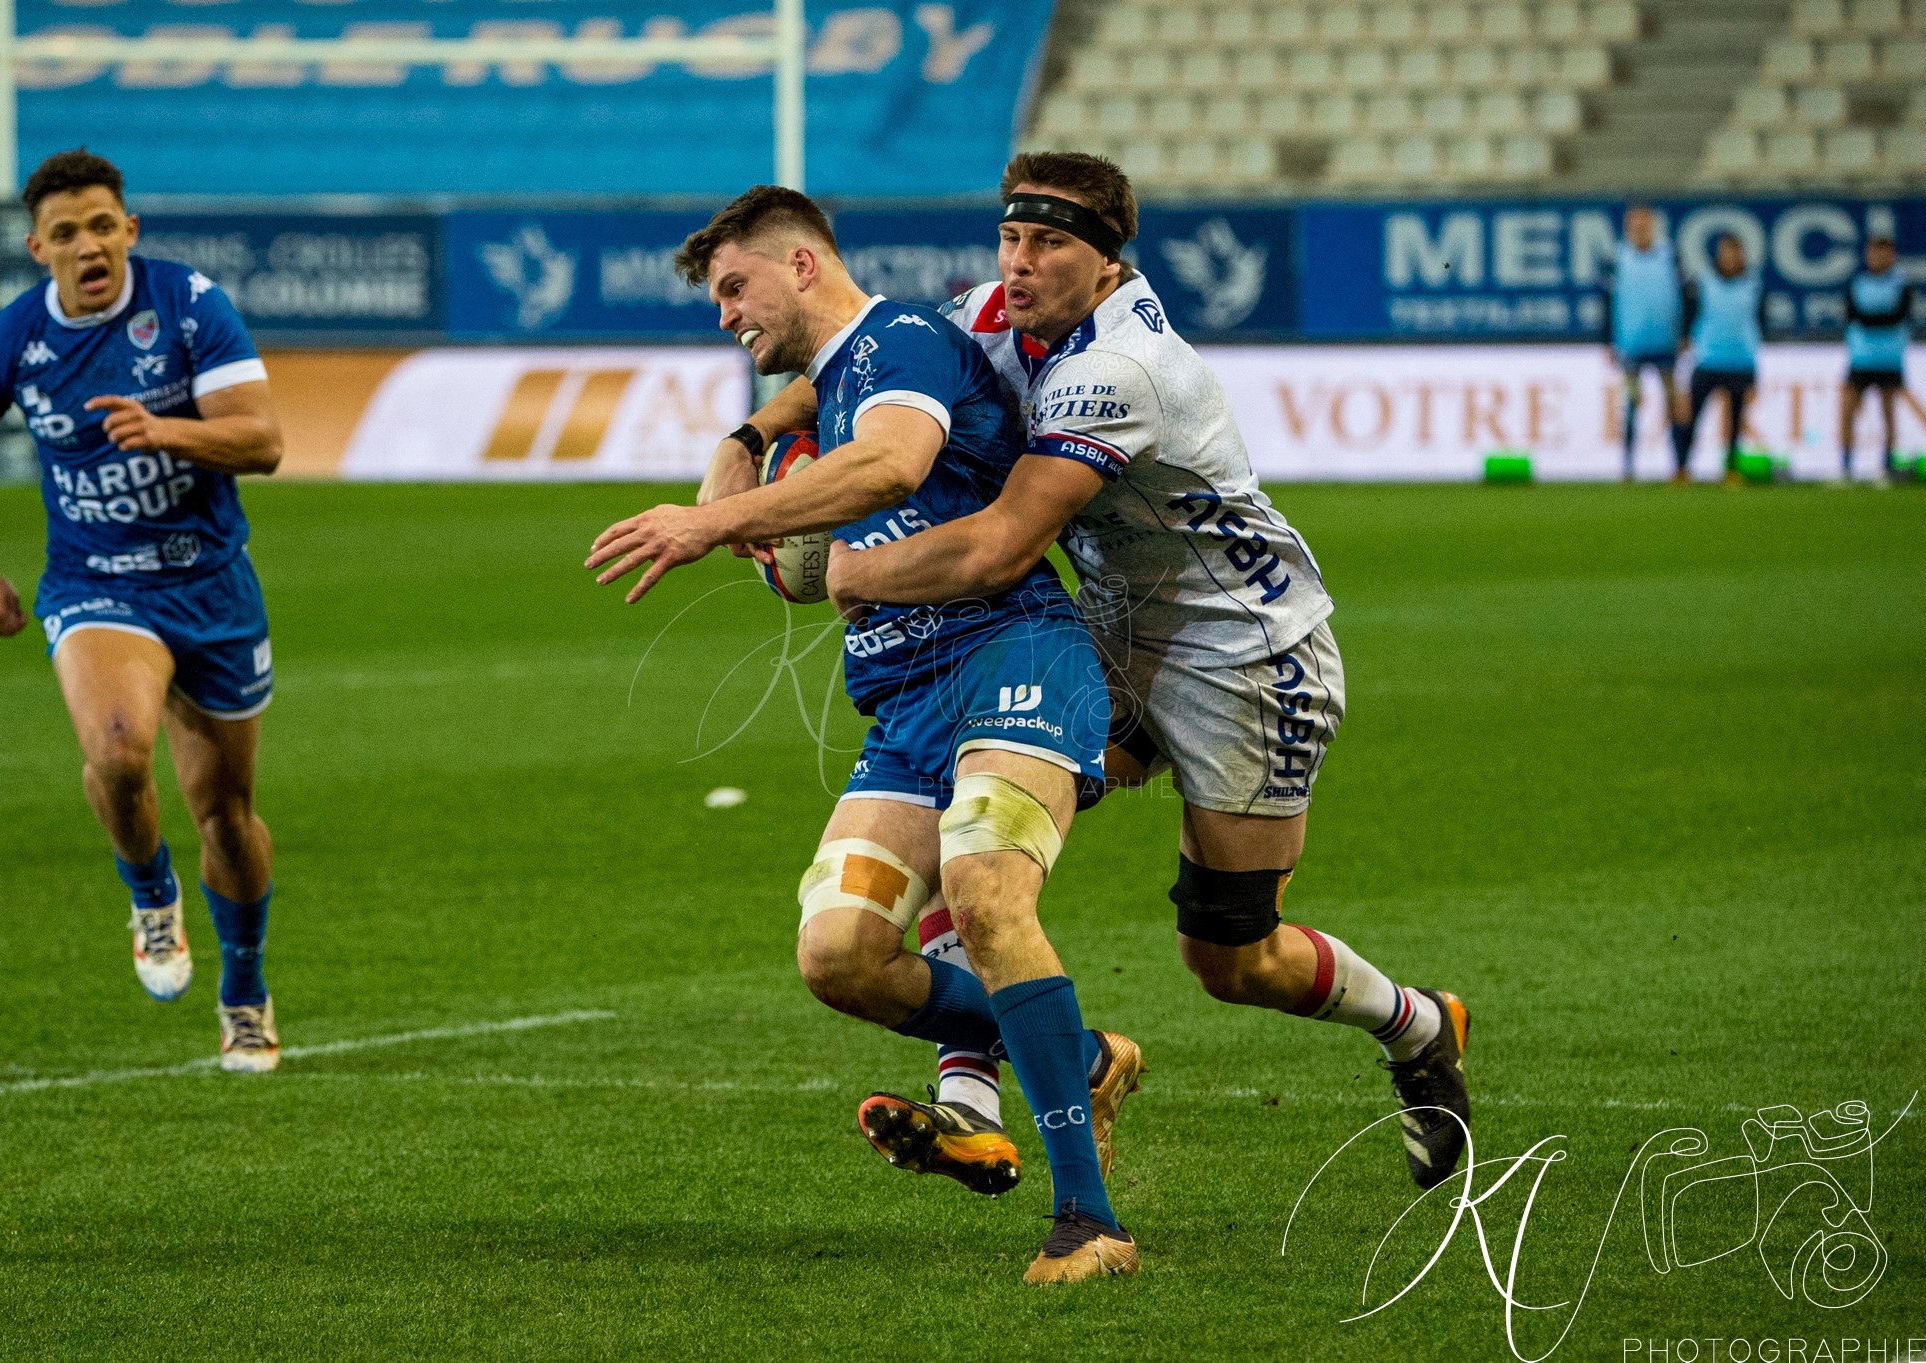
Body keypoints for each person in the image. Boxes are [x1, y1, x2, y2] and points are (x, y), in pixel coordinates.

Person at [738, 153, 1472, 1195]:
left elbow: (996, 547)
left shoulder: (1120, 368)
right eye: (1010, 236)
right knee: (976, 836)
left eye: (1049, 243)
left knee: (1230, 958)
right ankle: (972, 1102)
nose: (1020, 262)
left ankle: (1415, 1022)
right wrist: (755, 431)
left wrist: (837, 570)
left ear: (1106, 257)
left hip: (1242, 654)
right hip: (1114, 630)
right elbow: (862, 372)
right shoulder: (989, 310)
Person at [585, 186, 1144, 1283]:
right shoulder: (836, 376)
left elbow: (890, 464)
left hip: (1009, 658)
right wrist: (746, 439)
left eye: (733, 288)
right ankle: (1079, 1057)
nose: (722, 316)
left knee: (985, 893)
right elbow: (837, 504)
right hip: (901, 697)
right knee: (836, 955)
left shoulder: (896, 340)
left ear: (800, 267)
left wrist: (712, 519)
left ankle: (1089, 1219)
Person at [0, 148, 286, 1072]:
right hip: (98, 585)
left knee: (226, 814)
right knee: (119, 750)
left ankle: (243, 985)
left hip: (209, 583)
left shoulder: (189, 304)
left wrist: (167, 429)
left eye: (102, 225)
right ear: (36, 247)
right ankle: (149, 889)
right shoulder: (14, 339)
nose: (88, 245)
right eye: (66, 232)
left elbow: (265, 442)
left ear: (129, 229)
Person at [1604, 203, 1689, 481]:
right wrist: (1608, 341)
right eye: (1635, 225)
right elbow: (1606, 302)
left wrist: (1684, 334)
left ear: (1652, 225)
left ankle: (1679, 466)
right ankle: (1628, 467)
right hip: (1631, 344)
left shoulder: (1670, 256)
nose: (1640, 229)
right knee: (1632, 404)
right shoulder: (1618, 259)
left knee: (1673, 405)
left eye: (1644, 224)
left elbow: (1688, 296)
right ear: (1628, 228)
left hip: (1665, 343)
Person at [1677, 233, 1765, 485]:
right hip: (1708, 360)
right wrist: (1687, 341)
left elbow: (1759, 320)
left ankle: (1730, 469)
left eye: (1734, 253)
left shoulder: (1753, 284)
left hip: (1741, 361)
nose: (1730, 259)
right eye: (1725, 253)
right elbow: (1690, 316)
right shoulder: (1703, 283)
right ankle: (1683, 467)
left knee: (1736, 421)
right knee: (1692, 417)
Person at [1839, 234, 1919, 482]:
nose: (1877, 258)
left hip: (1889, 360)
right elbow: (1854, 316)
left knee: (1888, 414)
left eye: (1882, 253)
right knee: (1847, 411)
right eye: (1873, 252)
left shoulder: (1901, 285)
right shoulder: (1857, 283)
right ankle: (1846, 468)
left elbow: (1896, 317)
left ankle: (1886, 466)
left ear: (1892, 256)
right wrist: (1879, 319)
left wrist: (1870, 319)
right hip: (1860, 359)